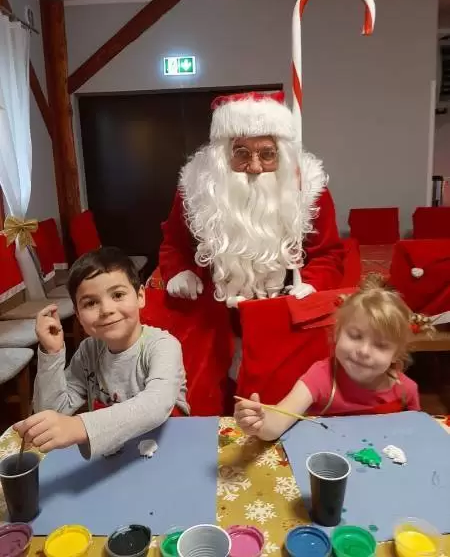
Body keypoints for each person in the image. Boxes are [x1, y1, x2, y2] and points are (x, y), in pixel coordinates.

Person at [142, 91, 345, 414]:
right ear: (224, 154)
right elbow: (174, 243)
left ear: (281, 154)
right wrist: (178, 270)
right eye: (241, 153)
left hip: (283, 318)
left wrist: (312, 283)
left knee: (276, 410)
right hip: (212, 321)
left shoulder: (309, 190)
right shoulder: (196, 189)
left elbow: (329, 253)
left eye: (267, 154)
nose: (254, 167)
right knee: (210, 404)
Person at [14, 247, 189, 459]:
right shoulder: (89, 351)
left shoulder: (163, 345)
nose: (106, 310)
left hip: (169, 451)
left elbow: (157, 404)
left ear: (140, 296)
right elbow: (52, 411)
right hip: (114, 458)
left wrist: (79, 426)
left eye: (118, 295)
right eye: (91, 303)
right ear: (78, 316)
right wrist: (52, 352)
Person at [234, 275, 434, 440]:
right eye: (355, 336)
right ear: (337, 334)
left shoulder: (406, 391)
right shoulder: (320, 378)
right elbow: (276, 425)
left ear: (396, 355)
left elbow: (414, 436)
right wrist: (260, 423)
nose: (364, 351)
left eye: (380, 345)